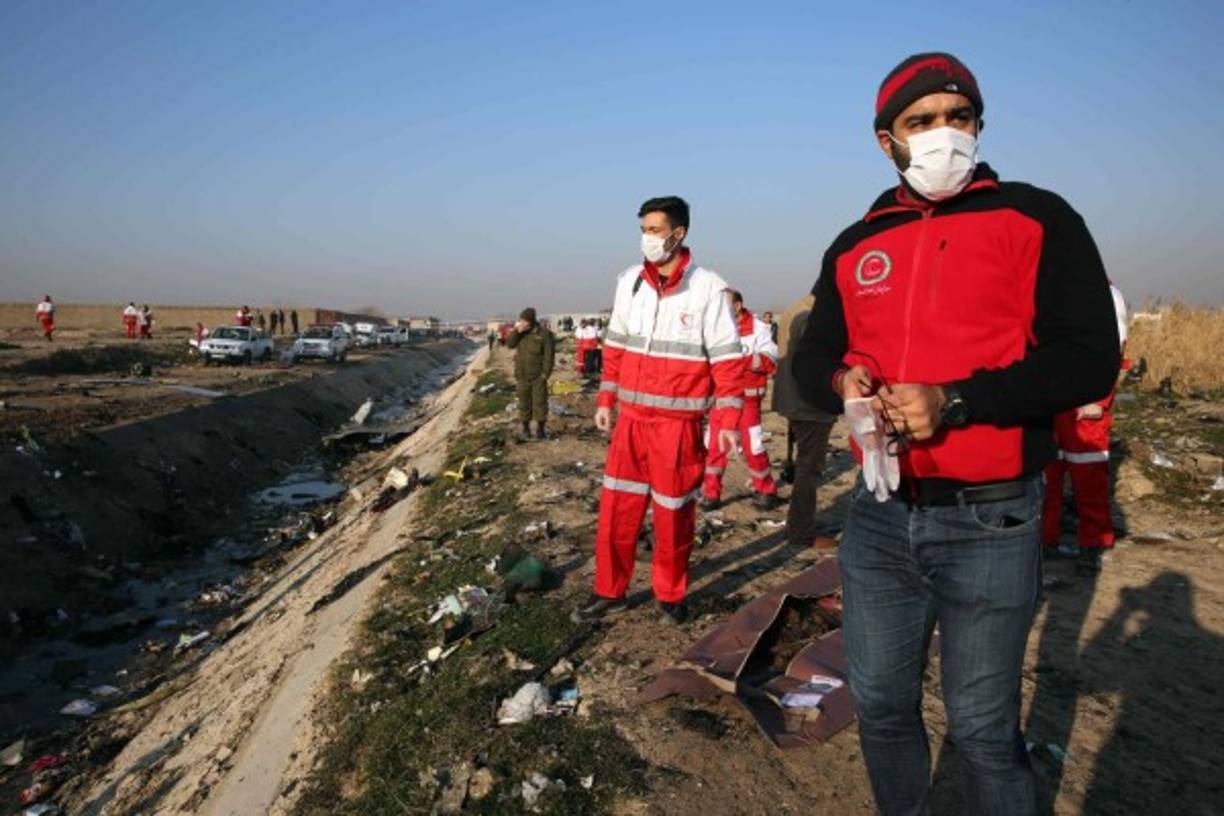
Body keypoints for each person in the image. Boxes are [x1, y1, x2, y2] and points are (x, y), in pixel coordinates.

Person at [793, 53, 1120, 815]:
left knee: (980, 727)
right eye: (921, 122)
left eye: (959, 117)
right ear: (887, 141)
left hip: (992, 517)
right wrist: (843, 380)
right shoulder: (856, 243)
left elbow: (1088, 357)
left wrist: (956, 401)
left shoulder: (1037, 218)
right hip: (879, 515)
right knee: (881, 706)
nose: (944, 134)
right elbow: (811, 354)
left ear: (978, 125)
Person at [573, 196, 745, 626]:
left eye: (654, 230)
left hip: (677, 428)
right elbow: (616, 346)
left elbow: (727, 361)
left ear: (678, 234)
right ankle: (609, 590)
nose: (646, 239)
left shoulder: (708, 289)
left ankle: (670, 594)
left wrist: (727, 420)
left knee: (673, 516)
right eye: (643, 230)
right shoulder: (629, 282)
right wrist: (606, 399)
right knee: (617, 512)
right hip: (631, 423)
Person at [1042, 283, 1129, 573]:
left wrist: (1099, 399)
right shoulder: (1051, 289)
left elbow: (1114, 349)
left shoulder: (1106, 294)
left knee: (1088, 477)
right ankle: (1045, 540)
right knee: (1048, 476)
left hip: (1084, 405)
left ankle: (1092, 544)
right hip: (1053, 399)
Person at [701, 290, 780, 510]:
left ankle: (766, 490)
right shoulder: (713, 329)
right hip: (721, 400)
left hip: (748, 401)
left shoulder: (759, 328)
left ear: (737, 306)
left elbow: (770, 360)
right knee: (714, 447)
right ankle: (711, 493)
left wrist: (735, 363)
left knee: (753, 447)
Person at [773, 293, 837, 549]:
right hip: (810, 405)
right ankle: (801, 530)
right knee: (809, 469)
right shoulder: (813, 317)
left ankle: (800, 524)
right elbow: (814, 364)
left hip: (795, 401)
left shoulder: (795, 309)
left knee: (805, 465)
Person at [506, 307, 555, 439]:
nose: (522, 323)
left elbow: (549, 356)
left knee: (540, 403)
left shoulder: (544, 334)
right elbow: (509, 344)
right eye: (521, 320)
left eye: (525, 321)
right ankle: (525, 429)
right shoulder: (520, 333)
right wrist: (517, 331)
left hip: (538, 376)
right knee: (524, 403)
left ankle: (540, 430)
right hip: (522, 375)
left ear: (531, 321)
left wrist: (545, 374)